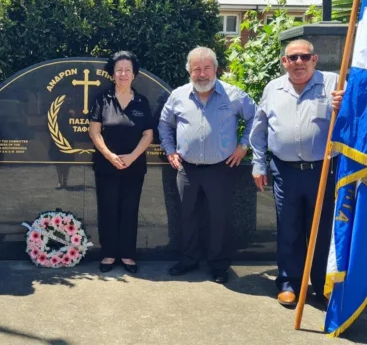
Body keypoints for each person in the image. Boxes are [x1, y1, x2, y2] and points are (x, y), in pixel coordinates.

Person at [249, 39, 344, 307]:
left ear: (315, 60)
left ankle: (322, 285)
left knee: (322, 229)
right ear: (284, 62)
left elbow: (353, 123)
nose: (298, 62)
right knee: (288, 228)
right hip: (285, 172)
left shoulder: (333, 85)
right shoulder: (273, 89)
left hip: (323, 170)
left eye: (304, 57)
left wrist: (344, 105)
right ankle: (289, 283)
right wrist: (258, 164)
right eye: (292, 58)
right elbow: (259, 131)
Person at [158, 46, 256, 283]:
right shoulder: (178, 95)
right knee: (186, 216)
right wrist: (170, 150)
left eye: (206, 68)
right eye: (196, 69)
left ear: (215, 69)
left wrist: (244, 146)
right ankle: (188, 260)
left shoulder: (233, 95)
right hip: (187, 169)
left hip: (220, 168)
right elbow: (164, 124)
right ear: (189, 71)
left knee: (219, 217)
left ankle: (219, 265)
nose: (201, 74)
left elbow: (256, 118)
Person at [88, 51, 154, 274]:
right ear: (113, 74)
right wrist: (110, 156)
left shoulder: (141, 101)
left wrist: (132, 157)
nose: (123, 74)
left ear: (134, 74)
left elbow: (148, 134)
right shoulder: (102, 99)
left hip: (134, 166)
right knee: (107, 208)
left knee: (129, 209)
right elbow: (95, 132)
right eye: (119, 70)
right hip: (107, 165)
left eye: (128, 70)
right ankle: (108, 254)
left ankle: (127, 254)